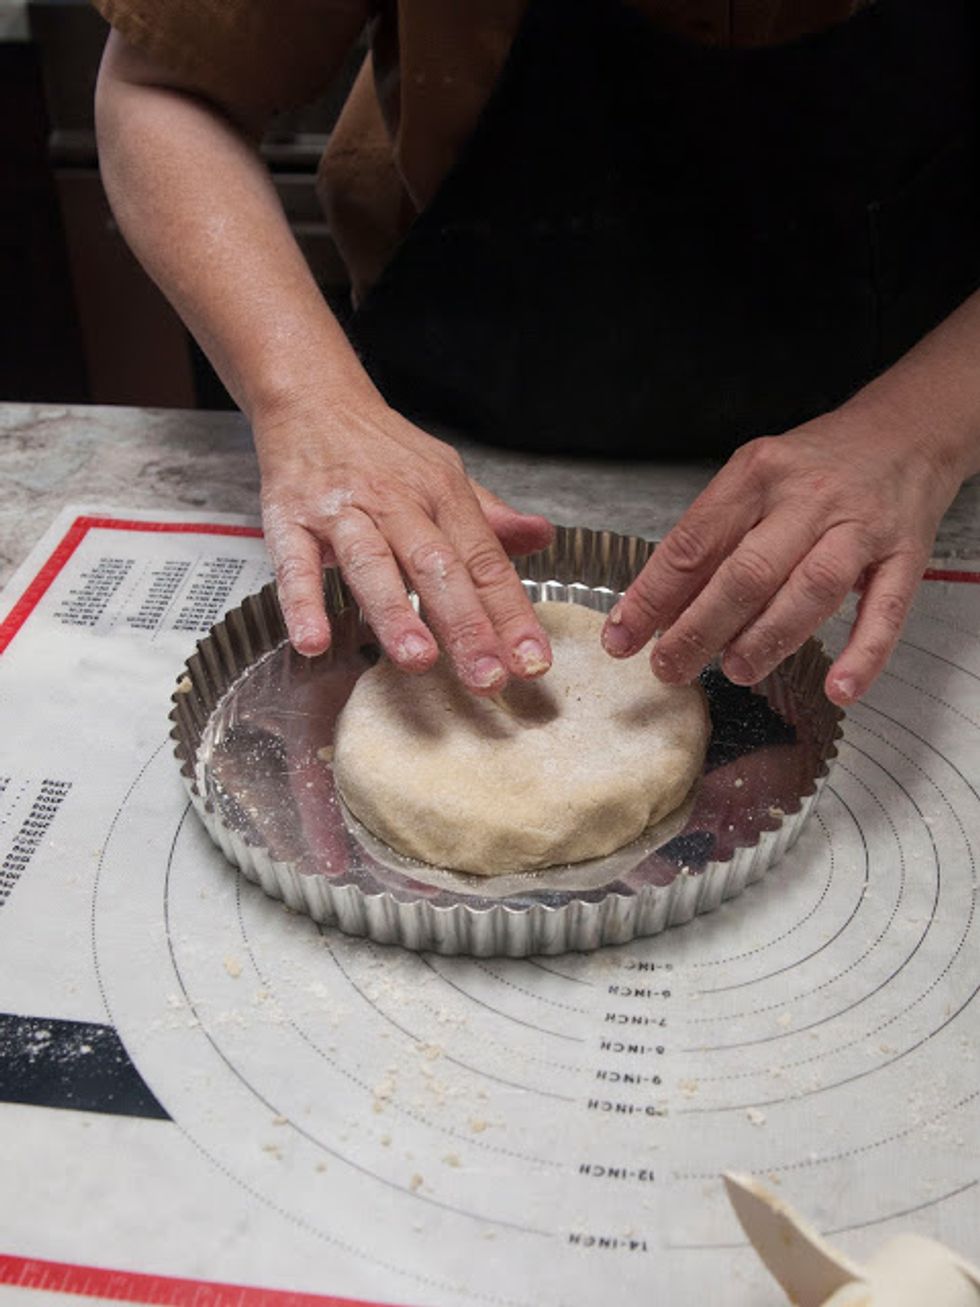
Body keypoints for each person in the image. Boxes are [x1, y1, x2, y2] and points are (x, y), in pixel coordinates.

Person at [93, 0, 980, 707]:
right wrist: (312, 403)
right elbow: (164, 89)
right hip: (440, 438)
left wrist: (920, 430)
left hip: (919, 447)